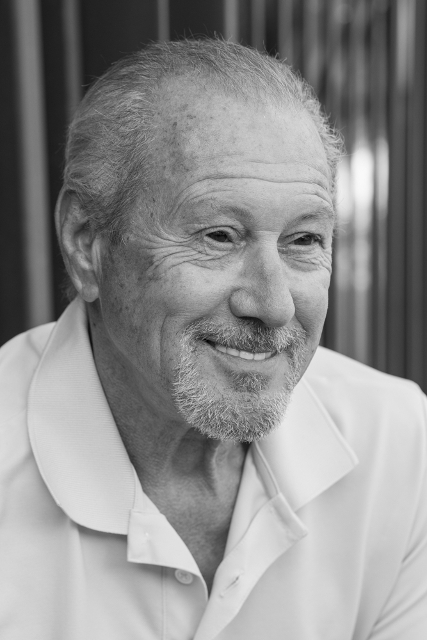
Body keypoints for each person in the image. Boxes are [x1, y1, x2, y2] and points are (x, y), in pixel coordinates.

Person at [0, 38, 426, 640]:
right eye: (220, 236)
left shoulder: (397, 442)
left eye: (304, 241)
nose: (274, 305)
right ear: (87, 243)